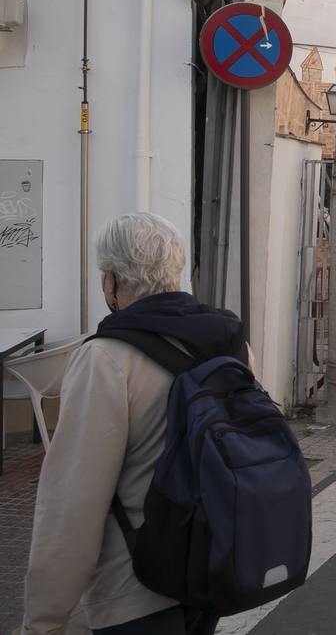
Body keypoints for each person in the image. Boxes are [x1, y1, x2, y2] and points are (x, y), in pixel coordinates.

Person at [22, 213, 248, 635]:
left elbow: (73, 500)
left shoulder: (106, 359)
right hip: (210, 567)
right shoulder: (228, 340)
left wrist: (45, 619)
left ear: (111, 281)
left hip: (135, 588)